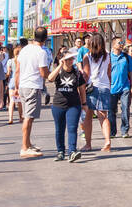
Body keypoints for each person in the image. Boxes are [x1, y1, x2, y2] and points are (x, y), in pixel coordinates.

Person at [15, 28, 51, 158]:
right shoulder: (41, 52)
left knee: (27, 116)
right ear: (45, 39)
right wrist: (52, 76)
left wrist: (16, 86)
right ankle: (24, 147)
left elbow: (18, 69)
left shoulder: (24, 49)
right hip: (33, 86)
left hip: (23, 85)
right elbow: (43, 72)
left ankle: (28, 143)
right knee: (28, 118)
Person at [46, 50, 87, 162]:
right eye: (68, 59)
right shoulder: (58, 72)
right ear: (63, 60)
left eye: (71, 59)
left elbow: (82, 88)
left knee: (72, 128)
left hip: (73, 104)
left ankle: (72, 152)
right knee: (59, 129)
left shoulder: (77, 73)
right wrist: (59, 65)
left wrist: (84, 103)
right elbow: (49, 78)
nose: (70, 61)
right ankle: (60, 152)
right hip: (58, 104)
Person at [81, 33, 113, 152]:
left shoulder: (87, 56)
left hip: (91, 88)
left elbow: (86, 74)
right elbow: (109, 73)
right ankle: (107, 141)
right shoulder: (108, 56)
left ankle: (88, 144)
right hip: (105, 88)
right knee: (103, 116)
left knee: (88, 116)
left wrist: (80, 89)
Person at [109, 37, 132, 140]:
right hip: (111, 89)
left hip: (125, 88)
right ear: (113, 45)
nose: (121, 44)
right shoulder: (108, 57)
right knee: (111, 111)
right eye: (119, 42)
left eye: (122, 43)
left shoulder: (126, 57)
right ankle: (112, 131)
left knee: (125, 109)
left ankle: (124, 130)